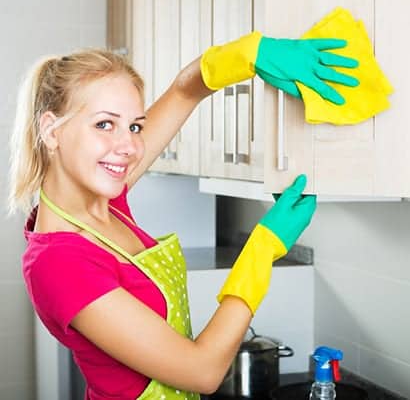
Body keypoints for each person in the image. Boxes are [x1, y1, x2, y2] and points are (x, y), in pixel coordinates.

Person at [8, 31, 358, 399]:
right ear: (51, 130)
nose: (128, 147)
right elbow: (203, 372)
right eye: (104, 124)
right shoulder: (60, 261)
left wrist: (249, 53)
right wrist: (261, 251)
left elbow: (184, 91)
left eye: (135, 126)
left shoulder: (103, 202)